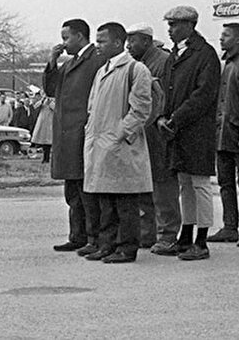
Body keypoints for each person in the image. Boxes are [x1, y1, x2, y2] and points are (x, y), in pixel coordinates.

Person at [83, 22, 153, 263]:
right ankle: (107, 245)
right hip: (101, 144)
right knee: (106, 200)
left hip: (120, 145)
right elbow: (92, 106)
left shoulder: (136, 69)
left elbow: (141, 109)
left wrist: (119, 133)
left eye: (102, 41)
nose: (97, 45)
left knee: (125, 200)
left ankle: (127, 248)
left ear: (117, 43)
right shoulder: (102, 71)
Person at [155, 5, 220, 261]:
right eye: (169, 25)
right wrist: (162, 116)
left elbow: (204, 95)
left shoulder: (205, 54)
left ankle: (201, 240)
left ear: (190, 25)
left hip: (197, 129)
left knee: (200, 184)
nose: (170, 30)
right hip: (177, 129)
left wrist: (175, 118)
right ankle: (186, 233)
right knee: (185, 183)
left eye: (174, 25)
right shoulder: (174, 55)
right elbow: (166, 91)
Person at [44, 18, 108, 253]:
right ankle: (77, 235)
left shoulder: (96, 60)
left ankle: (94, 238)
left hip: (83, 132)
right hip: (67, 134)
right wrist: (52, 63)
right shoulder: (70, 63)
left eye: (66, 38)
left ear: (79, 36)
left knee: (87, 190)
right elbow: (51, 89)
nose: (63, 43)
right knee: (73, 190)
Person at [207, 23, 239, 247]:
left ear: (238, 39)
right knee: (225, 182)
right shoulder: (224, 65)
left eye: (226, 35)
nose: (221, 39)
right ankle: (230, 227)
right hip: (222, 134)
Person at [125, 23, 176, 251]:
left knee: (162, 185)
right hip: (142, 131)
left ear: (146, 40)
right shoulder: (136, 64)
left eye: (132, 40)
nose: (128, 45)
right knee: (143, 184)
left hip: (157, 132)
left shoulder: (163, 61)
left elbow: (163, 99)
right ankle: (148, 233)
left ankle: (167, 234)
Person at [31, 96, 55, 163]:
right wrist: (42, 100)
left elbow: (55, 108)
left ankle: (47, 158)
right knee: (43, 142)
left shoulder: (53, 100)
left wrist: (50, 103)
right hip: (42, 123)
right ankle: (44, 158)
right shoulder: (43, 100)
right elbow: (35, 106)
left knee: (48, 142)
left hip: (50, 123)